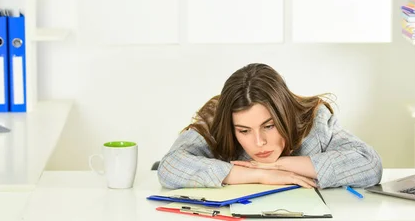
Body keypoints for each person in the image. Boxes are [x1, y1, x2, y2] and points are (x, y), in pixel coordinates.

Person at [157, 63, 383, 190]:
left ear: (285, 113)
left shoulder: (314, 121)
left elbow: (369, 163)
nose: (259, 142)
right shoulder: (215, 120)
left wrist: (281, 166)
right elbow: (169, 167)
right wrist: (258, 175)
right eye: (244, 131)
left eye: (269, 126)